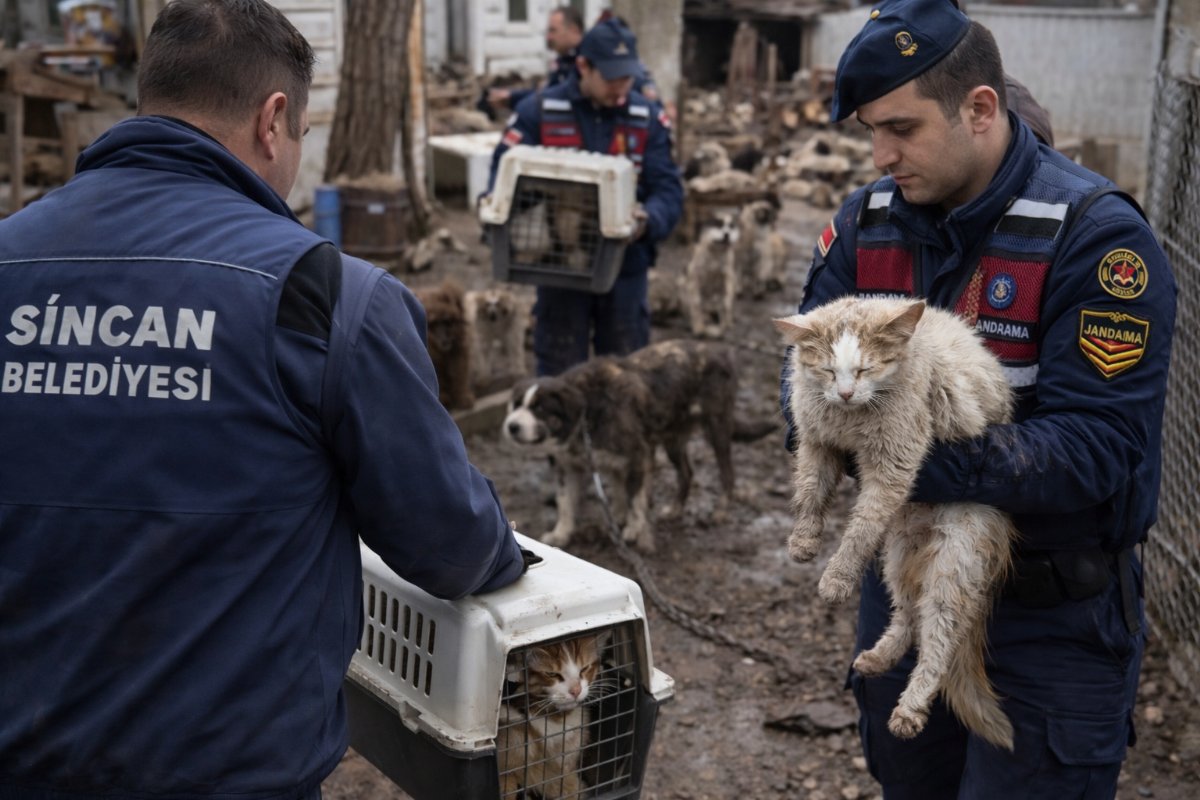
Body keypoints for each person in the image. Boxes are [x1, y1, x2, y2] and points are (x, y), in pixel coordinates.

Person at [0, 1, 526, 798]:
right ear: (273, 120)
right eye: (304, 135)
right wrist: (506, 554)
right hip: (229, 774)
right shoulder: (328, 295)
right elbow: (449, 542)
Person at [780, 0, 1176, 797]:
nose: (881, 155)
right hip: (907, 578)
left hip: (1049, 617)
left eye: (902, 128)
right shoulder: (865, 226)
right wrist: (842, 436)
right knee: (909, 778)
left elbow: (1097, 446)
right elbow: (801, 387)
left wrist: (906, 459)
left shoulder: (1094, 238)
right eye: (871, 131)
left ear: (981, 109)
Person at [486, 18, 684, 376]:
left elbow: (668, 189)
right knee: (560, 374)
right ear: (583, 66)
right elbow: (501, 176)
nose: (620, 87)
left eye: (627, 77)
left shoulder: (647, 119)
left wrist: (648, 219)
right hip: (558, 268)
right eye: (610, 77)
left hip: (626, 266)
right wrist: (498, 210)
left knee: (625, 375)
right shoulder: (539, 112)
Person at [485, 5, 586, 114]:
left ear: (574, 31)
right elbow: (548, 91)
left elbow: (558, 95)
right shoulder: (563, 60)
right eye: (548, 31)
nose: (548, 37)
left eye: (553, 31)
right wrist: (510, 96)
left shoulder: (586, 61)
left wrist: (514, 98)